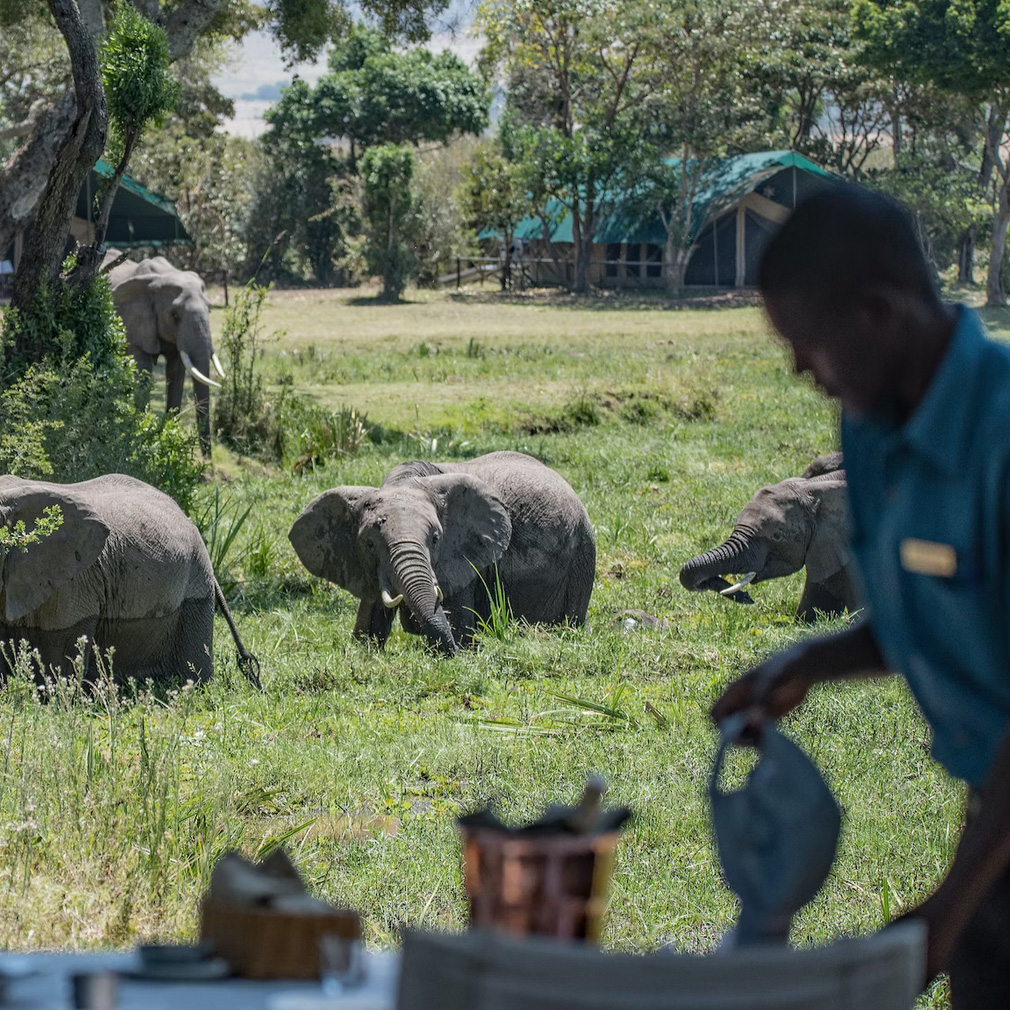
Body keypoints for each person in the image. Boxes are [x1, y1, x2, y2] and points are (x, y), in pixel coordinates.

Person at [711, 183, 1010, 1008]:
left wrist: (943, 918)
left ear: (880, 312)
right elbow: (939, 609)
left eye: (809, 343)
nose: (802, 369)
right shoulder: (873, 426)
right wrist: (809, 660)